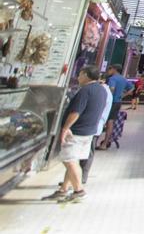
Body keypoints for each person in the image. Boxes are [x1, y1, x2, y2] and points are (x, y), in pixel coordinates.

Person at [41, 66, 108, 202]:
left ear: (85, 75)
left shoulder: (85, 91)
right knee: (74, 160)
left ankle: (79, 191)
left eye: (80, 74)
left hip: (76, 132)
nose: (78, 77)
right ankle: (63, 190)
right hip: (89, 131)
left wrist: (65, 128)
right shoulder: (102, 90)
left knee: (69, 161)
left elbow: (75, 112)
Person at [98, 64, 133, 150]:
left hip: (111, 103)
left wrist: (107, 98)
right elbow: (132, 88)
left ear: (114, 69)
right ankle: (105, 143)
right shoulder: (123, 79)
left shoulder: (112, 79)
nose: (108, 70)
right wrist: (123, 95)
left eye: (110, 68)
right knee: (111, 122)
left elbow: (111, 89)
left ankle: (104, 144)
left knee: (107, 122)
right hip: (118, 102)